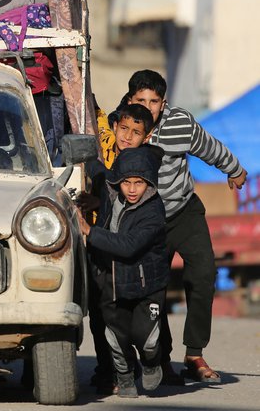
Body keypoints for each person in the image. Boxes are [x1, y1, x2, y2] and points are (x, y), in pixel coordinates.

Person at [120, 69, 247, 383]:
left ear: (164, 103)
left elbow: (209, 146)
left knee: (204, 272)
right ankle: (160, 359)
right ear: (130, 100)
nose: (148, 107)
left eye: (154, 101)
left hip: (183, 211)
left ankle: (195, 353)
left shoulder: (180, 123)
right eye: (141, 100)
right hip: (146, 221)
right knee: (154, 292)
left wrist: (234, 169)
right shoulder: (123, 128)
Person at [77, 145, 170, 398]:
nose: (131, 189)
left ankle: (151, 363)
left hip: (146, 284)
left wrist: (89, 230)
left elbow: (128, 246)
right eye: (126, 182)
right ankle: (125, 375)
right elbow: (96, 167)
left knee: (146, 339)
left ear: (149, 183)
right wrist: (82, 155)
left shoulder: (153, 212)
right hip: (112, 280)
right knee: (117, 337)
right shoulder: (110, 192)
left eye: (139, 182)